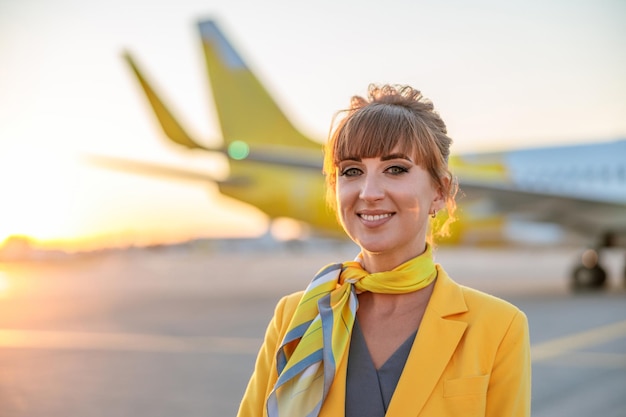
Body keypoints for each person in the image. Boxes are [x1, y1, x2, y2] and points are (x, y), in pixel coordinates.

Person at [236, 84, 531, 417]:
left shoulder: (499, 326)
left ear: (439, 190)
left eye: (395, 169)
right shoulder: (294, 316)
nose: (369, 191)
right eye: (351, 171)